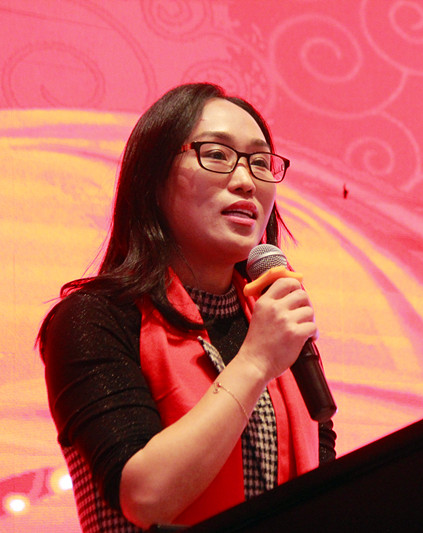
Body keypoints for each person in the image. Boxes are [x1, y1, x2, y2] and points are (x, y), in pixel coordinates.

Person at [38, 82, 336, 531]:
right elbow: (145, 496)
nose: (246, 181)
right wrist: (256, 362)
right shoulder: (93, 318)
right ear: (153, 180)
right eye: (217, 154)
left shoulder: (274, 321)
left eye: (260, 162)